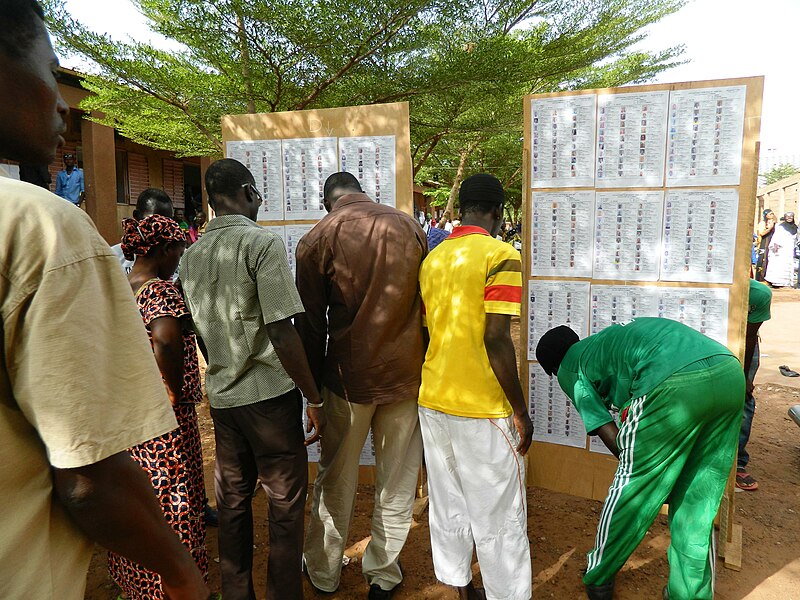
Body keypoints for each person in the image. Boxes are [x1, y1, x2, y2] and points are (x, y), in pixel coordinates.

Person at [0, 2, 209, 598]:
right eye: (49, 68)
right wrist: (180, 573)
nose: (64, 102)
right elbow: (89, 476)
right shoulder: (39, 227)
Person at [179, 158, 324, 600]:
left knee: (234, 502)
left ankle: (237, 592)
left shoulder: (190, 256)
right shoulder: (261, 243)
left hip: (224, 399)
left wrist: (224, 366)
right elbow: (282, 329)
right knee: (284, 502)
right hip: (270, 397)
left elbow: (200, 332)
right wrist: (312, 397)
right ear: (249, 191)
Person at [535, 318, 744, 600]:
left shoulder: (569, 368)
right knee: (698, 498)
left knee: (628, 492)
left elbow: (600, 423)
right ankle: (689, 593)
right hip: (728, 372)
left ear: (554, 367)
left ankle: (599, 575)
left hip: (670, 384)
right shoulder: (603, 344)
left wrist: (638, 467)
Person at [296, 172, 426, 599]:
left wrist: (313, 395)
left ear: (328, 201)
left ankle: (324, 571)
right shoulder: (409, 226)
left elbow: (312, 328)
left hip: (348, 381)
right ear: (362, 193)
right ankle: (383, 574)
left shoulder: (318, 238)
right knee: (397, 479)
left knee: (336, 478)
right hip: (406, 376)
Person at [418, 173, 533, 600]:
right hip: (482, 407)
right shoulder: (501, 254)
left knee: (449, 505)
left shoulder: (433, 260)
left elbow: (432, 332)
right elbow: (496, 337)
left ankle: (462, 590)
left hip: (433, 399)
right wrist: (519, 410)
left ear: (461, 208)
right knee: (500, 515)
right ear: (499, 212)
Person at [109, 215, 209, 598]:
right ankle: (175, 587)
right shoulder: (160, 291)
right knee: (174, 501)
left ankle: (139, 586)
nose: (179, 258)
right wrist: (168, 386)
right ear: (165, 250)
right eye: (179, 250)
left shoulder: (119, 285)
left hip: (129, 413)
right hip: (164, 419)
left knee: (139, 500)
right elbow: (166, 339)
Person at [737, 279, 772, 491]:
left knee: (743, 400)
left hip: (744, 344)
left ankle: (738, 462)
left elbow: (748, 337)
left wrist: (744, 377)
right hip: (708, 338)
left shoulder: (759, 294)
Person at [110, 188, 175, 274]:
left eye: (167, 223)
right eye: (154, 222)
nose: (161, 229)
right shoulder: (114, 257)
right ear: (136, 216)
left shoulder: (181, 256)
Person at [764, 212, 798, 287]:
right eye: (787, 217)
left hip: (789, 250)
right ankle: (775, 281)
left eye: (791, 217)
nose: (789, 218)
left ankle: (785, 282)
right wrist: (775, 247)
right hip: (780, 250)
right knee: (777, 266)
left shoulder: (795, 228)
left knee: (787, 266)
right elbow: (776, 237)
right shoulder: (780, 227)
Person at [754, 210, 776, 281]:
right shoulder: (762, 223)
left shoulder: (774, 223)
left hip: (771, 243)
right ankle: (760, 278)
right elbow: (761, 233)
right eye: (770, 214)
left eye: (772, 214)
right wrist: (769, 228)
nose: (772, 215)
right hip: (764, 243)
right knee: (763, 260)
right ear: (766, 215)